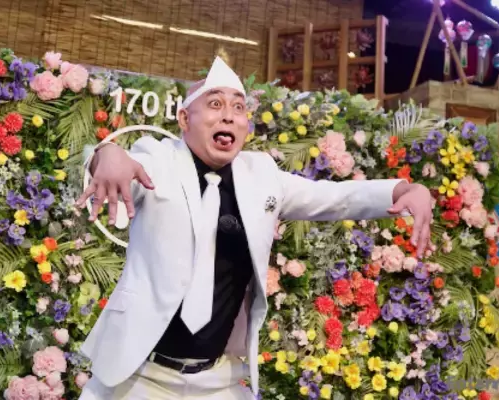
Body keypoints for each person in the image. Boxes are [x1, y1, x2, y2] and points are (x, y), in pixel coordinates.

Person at [76, 57, 433, 400]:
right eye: (215, 104)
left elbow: (334, 197)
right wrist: (105, 155)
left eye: (238, 107)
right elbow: (114, 162)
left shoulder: (260, 174)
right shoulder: (158, 160)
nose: (228, 115)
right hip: (138, 377)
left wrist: (401, 190)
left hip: (217, 380)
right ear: (184, 118)